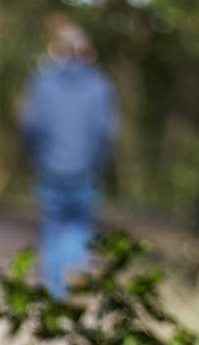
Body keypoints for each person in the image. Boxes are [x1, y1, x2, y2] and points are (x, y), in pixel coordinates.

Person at [20, 19, 120, 295]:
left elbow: (31, 125)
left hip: (50, 168)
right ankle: (74, 283)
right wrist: (96, 161)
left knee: (53, 229)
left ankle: (56, 293)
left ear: (56, 50)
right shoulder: (100, 85)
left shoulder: (42, 83)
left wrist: (37, 156)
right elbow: (106, 131)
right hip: (85, 171)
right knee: (79, 229)